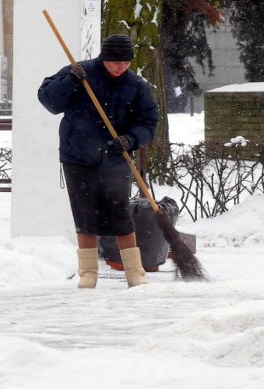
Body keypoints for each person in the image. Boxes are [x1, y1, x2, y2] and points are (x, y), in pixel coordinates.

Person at [37, 34, 159, 289]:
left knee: (121, 216)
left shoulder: (135, 85)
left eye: (126, 62)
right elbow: (49, 101)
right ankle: (88, 273)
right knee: (85, 216)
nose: (120, 67)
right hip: (78, 157)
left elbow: (148, 122)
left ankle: (135, 273)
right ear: (104, 58)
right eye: (115, 62)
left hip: (116, 158)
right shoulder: (78, 72)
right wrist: (71, 82)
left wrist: (130, 140)